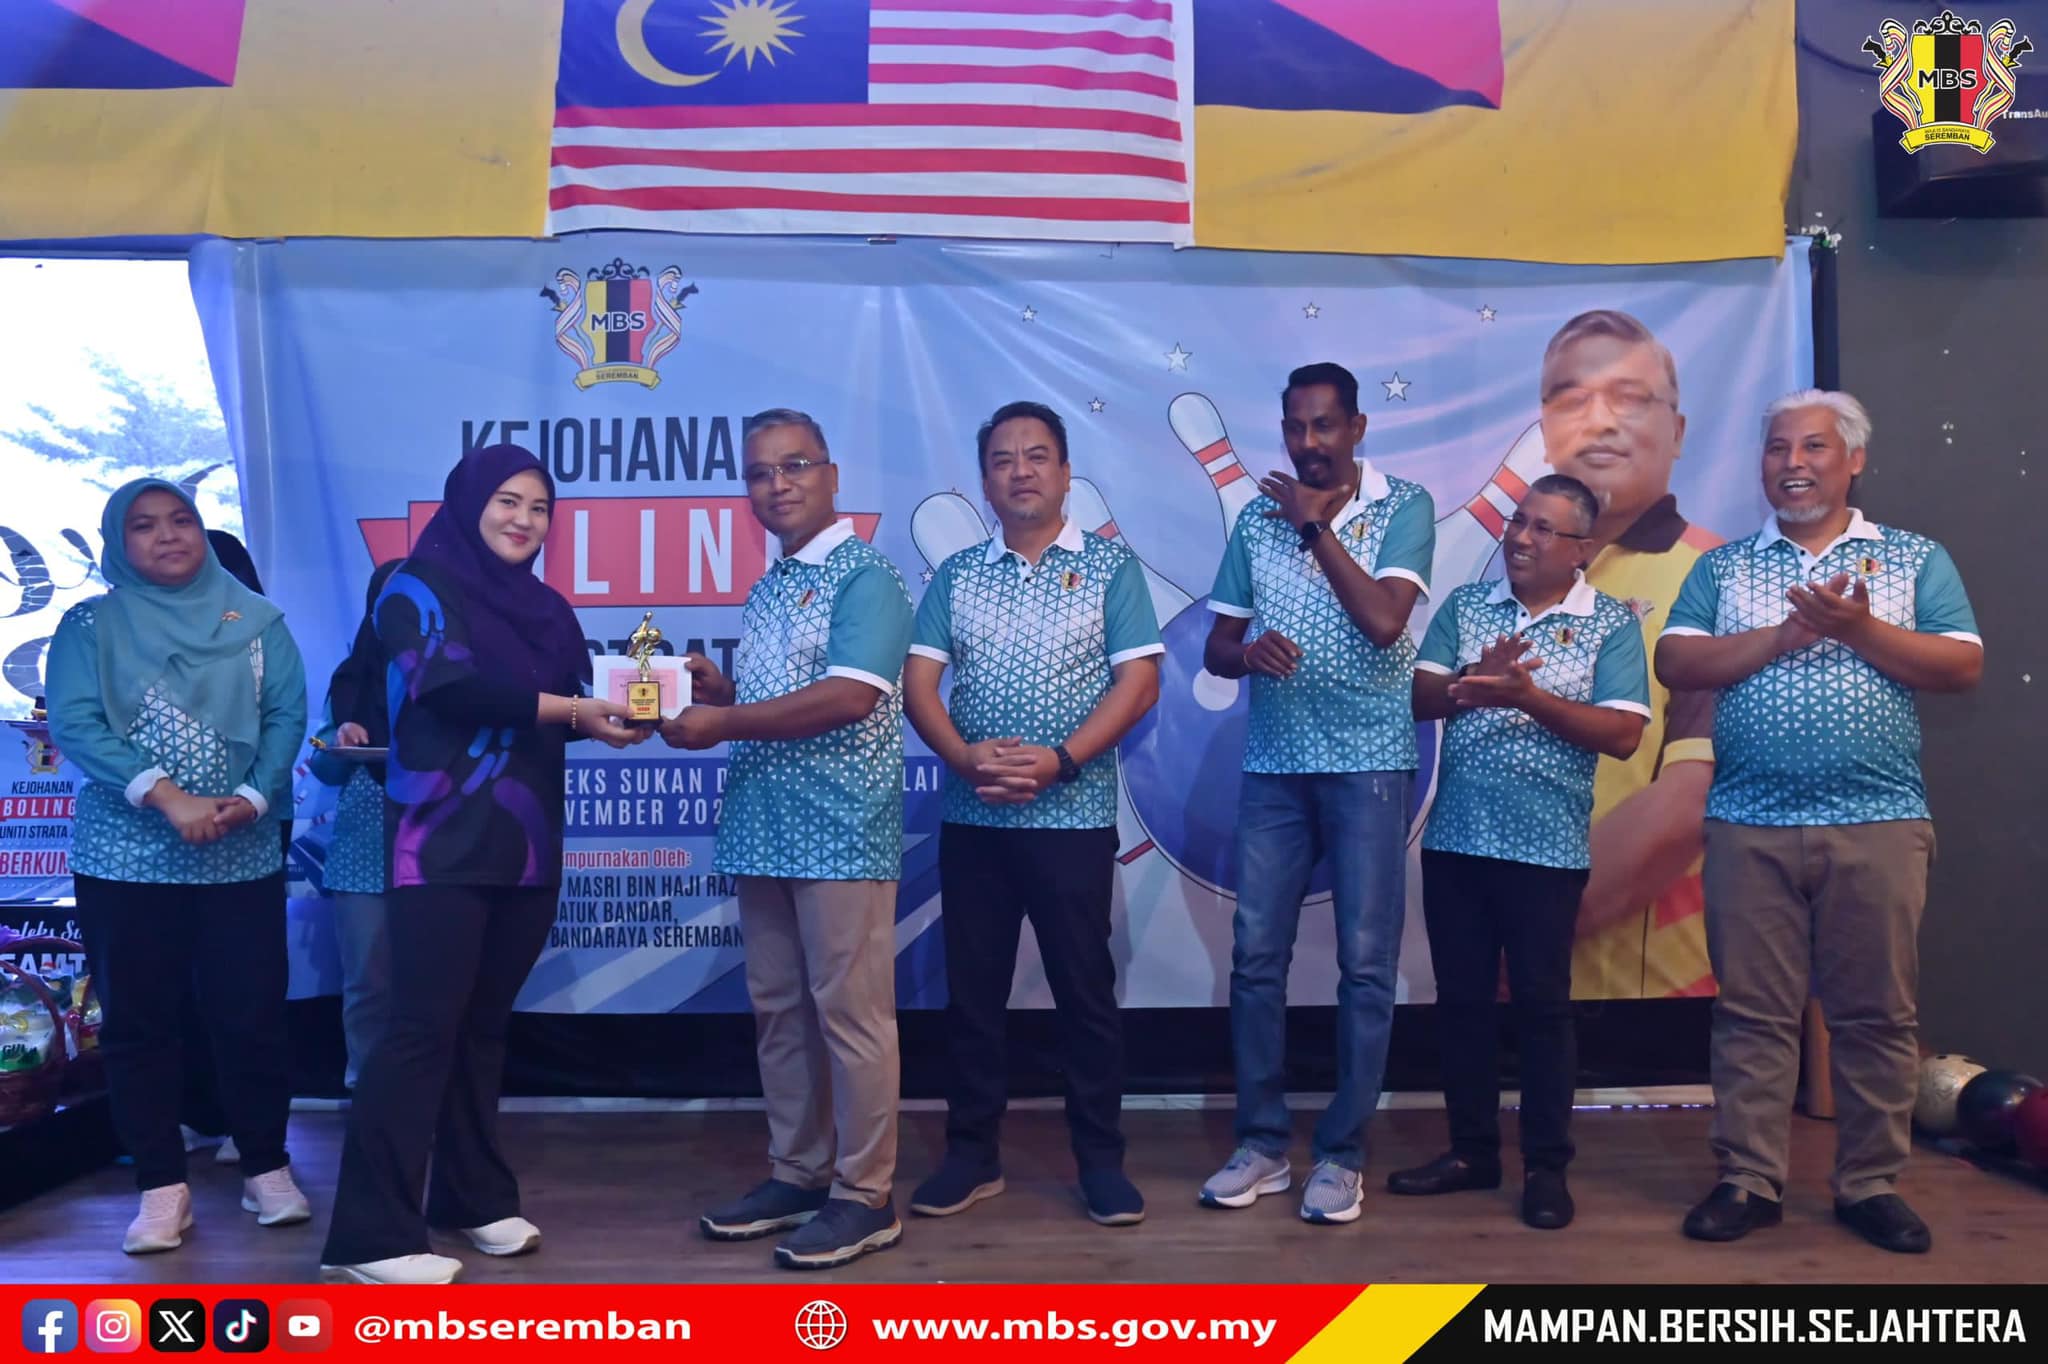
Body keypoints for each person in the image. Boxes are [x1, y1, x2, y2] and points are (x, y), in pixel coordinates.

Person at [1656, 391, 1981, 1253]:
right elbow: (1676, 657)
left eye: (1813, 447)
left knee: (1876, 1016)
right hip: (1747, 824)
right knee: (1751, 1015)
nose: (1792, 463)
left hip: (1879, 823)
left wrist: (1859, 628)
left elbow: (1961, 664)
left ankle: (1870, 1185)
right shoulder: (1724, 567)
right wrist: (1783, 639)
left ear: (1854, 460)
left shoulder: (1911, 557)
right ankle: (1748, 1180)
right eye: (1777, 448)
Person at [319, 445, 644, 1284]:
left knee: (483, 1027)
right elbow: (448, 687)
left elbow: (570, 707)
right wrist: (575, 709)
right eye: (507, 501)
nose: (523, 520)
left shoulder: (545, 607)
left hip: (525, 843)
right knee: (420, 1029)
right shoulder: (415, 585)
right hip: (439, 841)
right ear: (468, 502)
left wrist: (641, 707)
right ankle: (370, 1238)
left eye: (539, 507)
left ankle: (471, 1198)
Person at [901, 401, 1162, 1227]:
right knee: (972, 996)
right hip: (975, 818)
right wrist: (961, 757)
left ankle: (1101, 1163)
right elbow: (918, 684)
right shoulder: (957, 576)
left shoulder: (1111, 569)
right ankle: (972, 1155)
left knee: (1085, 995)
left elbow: (1139, 683)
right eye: (1004, 459)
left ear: (1065, 472)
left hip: (1073, 818)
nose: (1021, 471)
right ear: (985, 481)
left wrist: (1062, 760)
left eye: (1037, 455)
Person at [666, 408, 914, 1270]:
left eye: (795, 465)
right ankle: (799, 1173)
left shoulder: (866, 575)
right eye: (761, 472)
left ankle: (866, 1194)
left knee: (852, 1015)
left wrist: (722, 720)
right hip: (764, 825)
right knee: (779, 1010)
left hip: (840, 828)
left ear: (832, 475)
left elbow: (851, 695)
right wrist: (723, 692)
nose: (778, 484)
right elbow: (787, 699)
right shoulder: (773, 583)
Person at [1197, 362, 1436, 1224]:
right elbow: (1217, 647)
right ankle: (1262, 1144)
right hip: (1274, 768)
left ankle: (1341, 1155)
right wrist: (1246, 654)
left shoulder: (1403, 507)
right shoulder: (1256, 519)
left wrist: (1313, 526)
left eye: (1325, 425)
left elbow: (1383, 622)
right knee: (1255, 958)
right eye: (1295, 427)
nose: (1308, 443)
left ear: (1357, 427)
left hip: (1369, 765)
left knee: (1365, 965)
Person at [46, 479, 311, 1254]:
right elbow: (76, 721)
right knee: (139, 1024)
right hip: (124, 860)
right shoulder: (90, 626)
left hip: (241, 852)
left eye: (181, 520)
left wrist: (251, 799)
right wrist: (167, 797)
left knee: (250, 1017)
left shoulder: (257, 622)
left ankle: (266, 1168)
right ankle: (162, 1188)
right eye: (144, 525)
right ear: (118, 542)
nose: (167, 535)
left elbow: (285, 716)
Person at [1393, 474, 1648, 1229]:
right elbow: (1418, 697)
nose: (1521, 538)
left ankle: (1546, 1168)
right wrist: (1476, 682)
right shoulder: (1468, 607)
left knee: (1542, 1010)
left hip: (1547, 853)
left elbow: (1623, 734)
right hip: (1457, 843)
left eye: (1543, 529)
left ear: (1582, 550)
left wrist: (1528, 696)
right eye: (1518, 522)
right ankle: (1472, 1152)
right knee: (1462, 1005)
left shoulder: (1610, 624)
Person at [1536, 310, 1722, 1000]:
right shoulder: (1512, 582)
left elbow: (1689, 802)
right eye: (1572, 399)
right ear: (1544, 428)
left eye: (1630, 398)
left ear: (1678, 431)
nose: (1601, 421)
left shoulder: (1718, 577)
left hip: (1660, 1001)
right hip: (1514, 994)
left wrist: (1521, 925)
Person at [306, 559, 403, 1090]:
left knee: (437, 984)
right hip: (365, 851)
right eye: (391, 601)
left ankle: (429, 1097)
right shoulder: (351, 679)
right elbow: (321, 764)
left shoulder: (459, 675)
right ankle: (368, 1090)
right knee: (369, 980)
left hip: (443, 847)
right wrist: (340, 740)